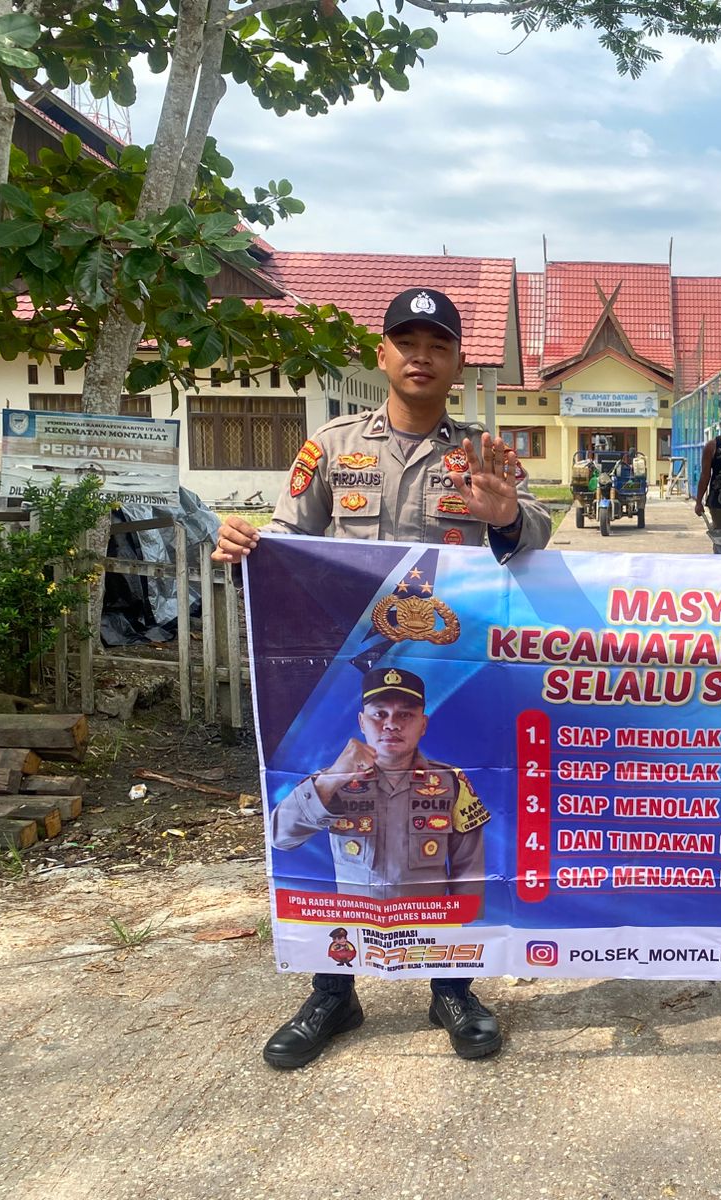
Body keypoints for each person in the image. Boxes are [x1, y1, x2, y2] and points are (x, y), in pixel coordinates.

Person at [212, 286, 551, 1070]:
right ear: (383, 353)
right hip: (345, 680)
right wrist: (244, 551)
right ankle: (333, 989)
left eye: (438, 344)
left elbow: (534, 537)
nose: (421, 356)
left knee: (446, 821)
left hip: (451, 679)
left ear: (459, 361)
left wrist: (506, 516)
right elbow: (287, 547)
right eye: (407, 341)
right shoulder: (332, 448)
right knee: (335, 813)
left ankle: (452, 985)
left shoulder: (486, 455)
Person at [270, 665, 488, 904]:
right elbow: (281, 838)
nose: (391, 725)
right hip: (357, 922)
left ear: (423, 724)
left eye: (405, 715)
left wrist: (465, 922)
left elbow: (469, 872)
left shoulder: (451, 782)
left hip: (426, 923)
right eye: (379, 714)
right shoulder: (331, 780)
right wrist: (332, 778)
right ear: (362, 722)